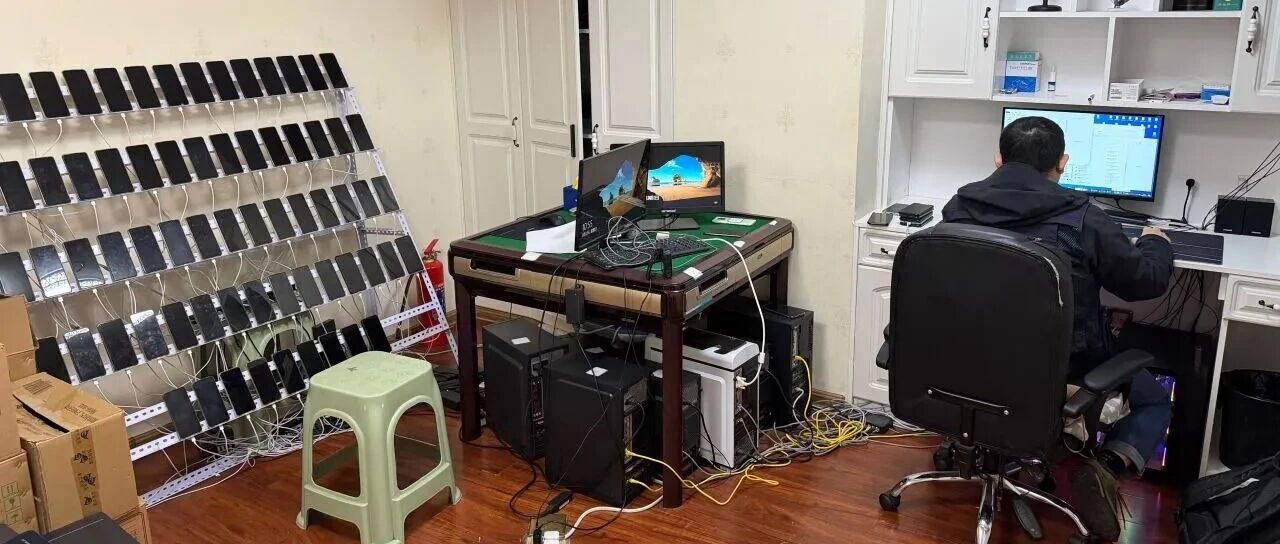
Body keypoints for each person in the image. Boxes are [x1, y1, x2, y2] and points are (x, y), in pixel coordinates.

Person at [941, 116, 1175, 541]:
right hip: (1062, 374)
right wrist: (1156, 241)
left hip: (973, 367)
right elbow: (1145, 281)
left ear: (998, 160)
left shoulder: (958, 206)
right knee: (1156, 401)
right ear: (1062, 163)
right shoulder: (1083, 219)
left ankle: (993, 439)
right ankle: (1106, 468)